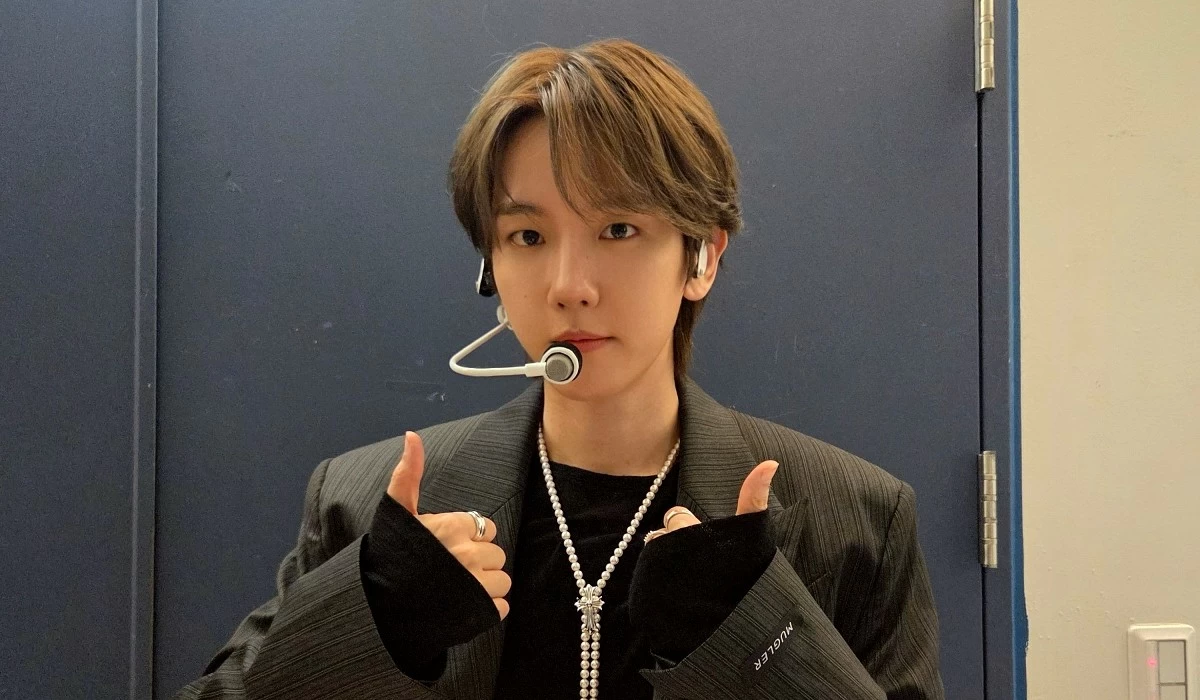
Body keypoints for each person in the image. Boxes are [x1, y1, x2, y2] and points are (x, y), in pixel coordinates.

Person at [176, 38, 944, 700]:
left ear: (702, 257)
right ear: (490, 265)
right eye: (528, 237)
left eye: (618, 228)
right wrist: (372, 617)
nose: (569, 285)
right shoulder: (363, 507)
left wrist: (760, 642)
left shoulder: (856, 525)